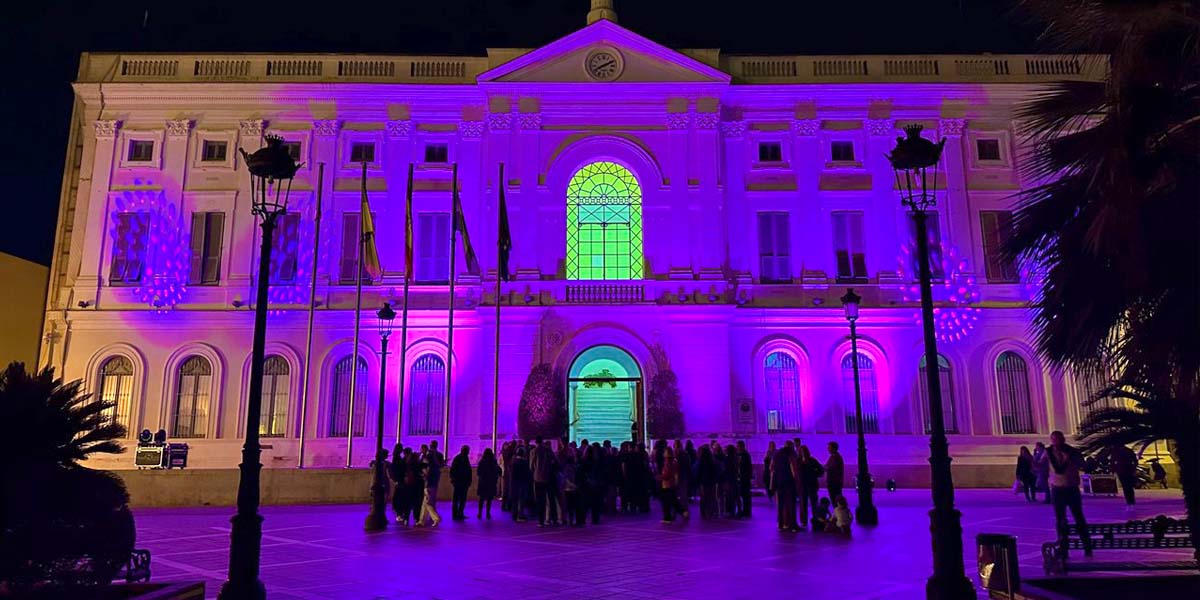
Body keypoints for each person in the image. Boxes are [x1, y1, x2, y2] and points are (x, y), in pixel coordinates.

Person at [1047, 430, 1093, 557]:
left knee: (1078, 517)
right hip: (1057, 488)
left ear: (1063, 439)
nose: (1056, 442)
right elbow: (1045, 467)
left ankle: (1087, 546)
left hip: (1071, 487)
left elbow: (1082, 465)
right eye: (1054, 439)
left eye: (1059, 439)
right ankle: (1063, 547)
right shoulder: (1048, 452)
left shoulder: (1072, 452)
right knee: (1060, 519)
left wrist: (1070, 459)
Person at [531, 437, 559, 526]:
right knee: (551, 499)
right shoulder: (548, 450)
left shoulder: (534, 451)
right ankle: (554, 519)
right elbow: (556, 462)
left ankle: (541, 521)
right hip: (548, 477)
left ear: (536, 442)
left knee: (540, 500)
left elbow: (531, 466)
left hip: (538, 478)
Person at [796, 445, 825, 528]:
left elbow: (821, 470)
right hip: (802, 485)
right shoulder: (798, 461)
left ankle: (815, 520)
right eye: (801, 451)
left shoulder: (812, 460)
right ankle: (804, 521)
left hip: (812, 485)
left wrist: (814, 475)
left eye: (804, 451)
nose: (803, 453)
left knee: (814, 503)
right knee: (803, 504)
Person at [772, 441, 798, 532]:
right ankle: (792, 524)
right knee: (791, 503)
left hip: (779, 482)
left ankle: (781, 523)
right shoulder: (791, 454)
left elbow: (772, 468)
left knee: (781, 504)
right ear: (791, 446)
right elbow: (794, 470)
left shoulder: (777, 454)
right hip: (789, 482)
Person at [416, 443, 443, 527]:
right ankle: (421, 521)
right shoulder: (436, 466)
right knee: (425, 503)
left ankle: (436, 518)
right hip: (433, 484)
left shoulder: (427, 465)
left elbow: (425, 474)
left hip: (428, 484)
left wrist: (421, 473)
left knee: (427, 503)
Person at [1108, 444, 1139, 509]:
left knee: (1126, 487)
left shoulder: (1116, 451)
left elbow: (1112, 461)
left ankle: (1129, 502)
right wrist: (1133, 468)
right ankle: (1131, 502)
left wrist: (1113, 469)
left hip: (1123, 471)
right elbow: (1135, 461)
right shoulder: (1127, 451)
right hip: (1127, 471)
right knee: (1128, 487)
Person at [449, 445, 472, 521]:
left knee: (457, 498)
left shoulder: (457, 458)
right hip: (463, 482)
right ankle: (459, 513)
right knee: (462, 499)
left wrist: (453, 479)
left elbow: (452, 470)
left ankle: (455, 514)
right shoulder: (464, 459)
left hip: (458, 482)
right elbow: (468, 472)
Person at [476, 447, 501, 519]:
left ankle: (480, 513)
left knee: (481, 499)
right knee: (489, 499)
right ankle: (488, 513)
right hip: (491, 483)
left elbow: (479, 472)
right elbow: (497, 471)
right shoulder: (493, 461)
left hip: (483, 483)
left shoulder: (482, 461)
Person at [509, 447, 531, 522]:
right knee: (521, 500)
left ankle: (514, 515)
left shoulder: (513, 462)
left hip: (515, 483)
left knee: (515, 499)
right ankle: (520, 515)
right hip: (522, 483)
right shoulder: (524, 462)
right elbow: (527, 473)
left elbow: (512, 474)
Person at [389, 444, 408, 524]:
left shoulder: (396, 458)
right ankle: (399, 513)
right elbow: (398, 470)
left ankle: (399, 513)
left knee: (399, 496)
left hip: (399, 480)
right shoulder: (397, 459)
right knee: (400, 497)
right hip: (400, 480)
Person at [737, 441, 754, 517]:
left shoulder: (746, 455)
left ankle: (747, 510)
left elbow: (748, 467)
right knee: (743, 495)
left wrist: (748, 476)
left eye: (739, 446)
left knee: (746, 495)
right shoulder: (739, 455)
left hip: (745, 478)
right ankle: (744, 510)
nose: (738, 447)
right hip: (741, 477)